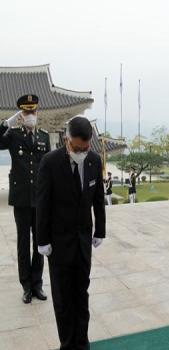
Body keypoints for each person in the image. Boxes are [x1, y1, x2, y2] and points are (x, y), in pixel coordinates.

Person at [36, 116, 106, 350]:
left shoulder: (94, 161)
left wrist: (100, 231)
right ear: (67, 140)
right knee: (63, 300)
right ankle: (67, 344)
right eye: (77, 148)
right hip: (58, 243)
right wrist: (42, 240)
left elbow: (98, 200)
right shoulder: (50, 162)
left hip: (83, 241)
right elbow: (43, 203)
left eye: (85, 148)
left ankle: (82, 342)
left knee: (81, 294)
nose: (81, 152)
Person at [0, 94, 50, 304]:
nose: (30, 115)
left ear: (37, 113)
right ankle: (26, 286)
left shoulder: (44, 137)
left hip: (39, 198)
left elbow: (48, 168)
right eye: (26, 112)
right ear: (21, 114)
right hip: (21, 199)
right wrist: (6, 124)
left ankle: (37, 284)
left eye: (33, 112)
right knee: (23, 243)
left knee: (40, 243)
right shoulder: (13, 135)